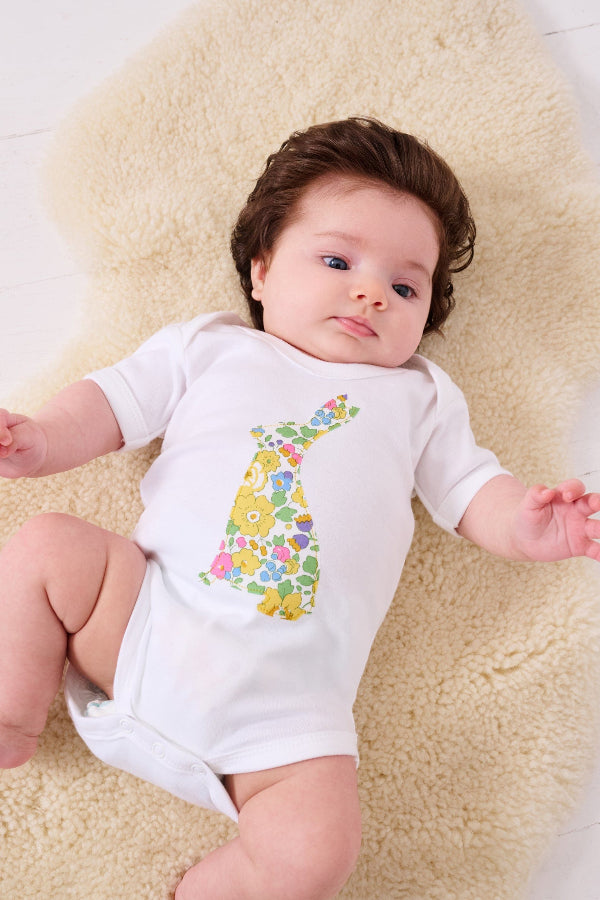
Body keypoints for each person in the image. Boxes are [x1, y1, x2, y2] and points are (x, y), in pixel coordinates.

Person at [1, 117, 599, 900]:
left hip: (284, 719)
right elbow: (112, 403)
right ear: (260, 270)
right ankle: (12, 713)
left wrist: (525, 522)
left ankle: (215, 888)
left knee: (318, 852)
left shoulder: (418, 396)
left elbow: (469, 490)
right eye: (336, 259)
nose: (371, 291)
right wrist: (43, 438)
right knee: (46, 546)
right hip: (148, 621)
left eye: (405, 285)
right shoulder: (210, 348)